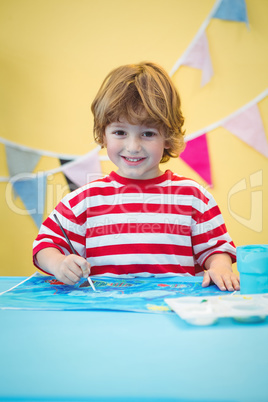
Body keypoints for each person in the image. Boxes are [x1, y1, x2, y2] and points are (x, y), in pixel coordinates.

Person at [33, 62, 240, 292]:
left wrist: (220, 267)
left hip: (173, 313)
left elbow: (216, 249)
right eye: (120, 132)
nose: (133, 146)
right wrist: (59, 263)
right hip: (104, 315)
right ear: (103, 134)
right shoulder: (83, 200)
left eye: (148, 133)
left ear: (168, 136)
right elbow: (45, 245)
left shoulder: (193, 197)